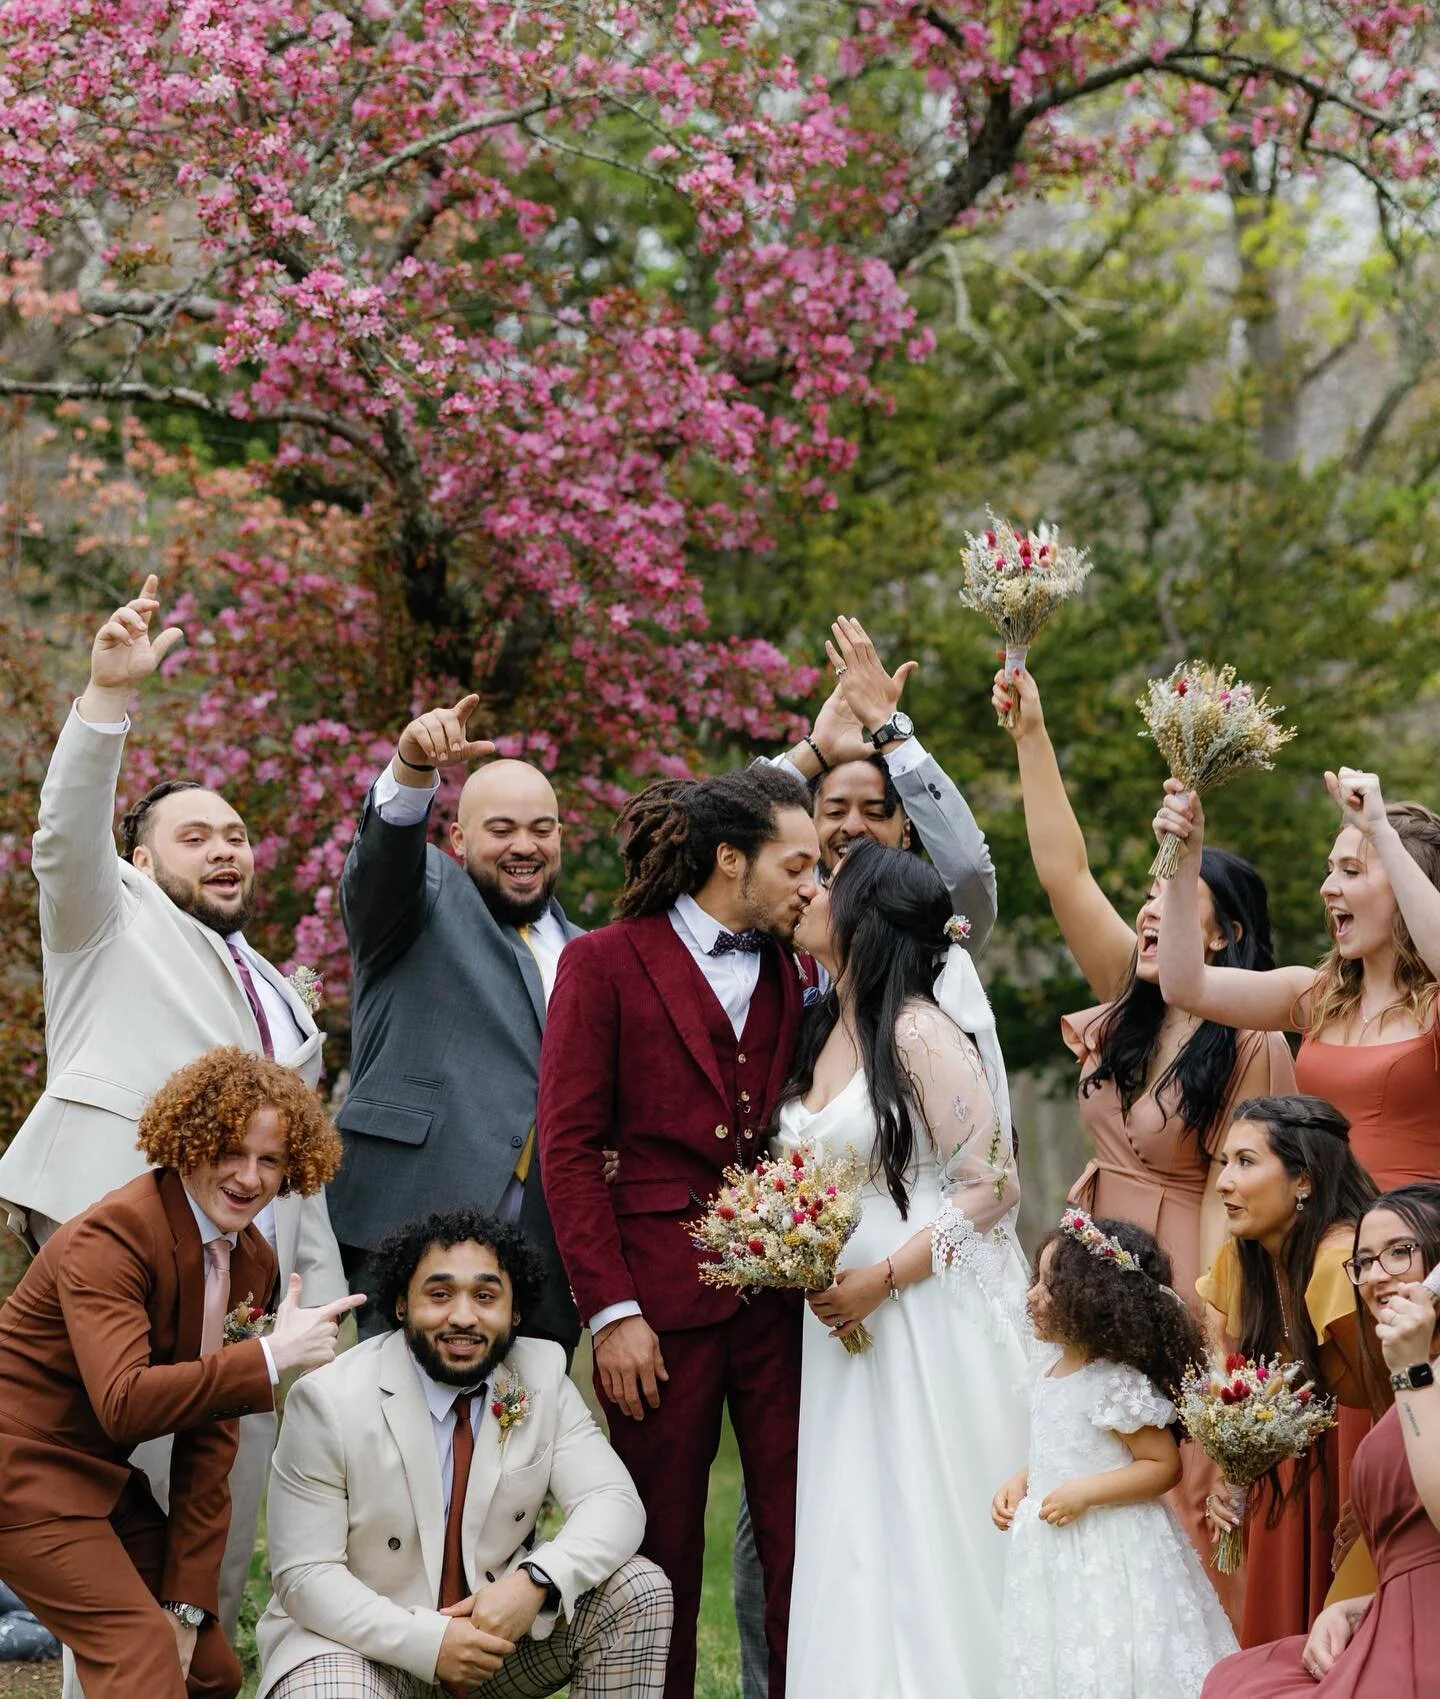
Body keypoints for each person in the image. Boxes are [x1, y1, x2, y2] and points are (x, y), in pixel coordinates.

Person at [0, 573, 347, 1657]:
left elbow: (295, 1149)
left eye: (238, 832)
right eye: (196, 836)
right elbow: (63, 840)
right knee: (114, 1507)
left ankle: (193, 1660)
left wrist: (321, 1302)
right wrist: (106, 698)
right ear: (143, 862)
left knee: (215, 1518)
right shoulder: (107, 924)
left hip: (249, 1265)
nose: (228, 847)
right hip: (116, 1242)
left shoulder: (277, 987)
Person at [994, 663, 1294, 1594]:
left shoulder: (1250, 1042)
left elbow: (1239, 1196)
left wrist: (1200, 1326)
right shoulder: (1128, 995)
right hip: (1095, 1253)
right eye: (1147, 901)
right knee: (1085, 1464)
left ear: (1224, 934)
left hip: (1185, 1273)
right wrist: (1030, 734)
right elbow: (1063, 871)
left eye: (1174, 900)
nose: (1147, 912)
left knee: (1166, 1475)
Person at [537, 765, 818, 1699]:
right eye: (798, 863)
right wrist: (611, 1311)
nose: (811, 885)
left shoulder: (795, 966)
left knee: (798, 1529)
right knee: (659, 1541)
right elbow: (568, 1148)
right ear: (731, 859)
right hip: (653, 1307)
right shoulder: (605, 961)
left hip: (780, 1304)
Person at [0, 1048, 361, 1699]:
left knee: (210, 1669)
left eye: (271, 1160)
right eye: (230, 1150)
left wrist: (188, 1608)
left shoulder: (250, 1260)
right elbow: (124, 1403)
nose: (249, 1177)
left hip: (99, 1482)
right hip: (19, 1474)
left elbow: (210, 1436)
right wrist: (270, 1357)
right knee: (139, 1653)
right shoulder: (112, 1236)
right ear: (189, 1142)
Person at [775, 839, 1030, 1699]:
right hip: (838, 1313)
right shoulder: (817, 1024)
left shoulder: (918, 1028)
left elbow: (994, 1182)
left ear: (869, 916)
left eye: (830, 882)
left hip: (921, 1302)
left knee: (931, 1506)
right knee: (855, 1518)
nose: (810, 890)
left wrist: (880, 1280)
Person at [255, 1209, 671, 1699]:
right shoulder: (328, 1399)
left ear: (515, 1312)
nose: (463, 1317)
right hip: (358, 1648)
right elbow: (305, 1575)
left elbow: (614, 1502)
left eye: (485, 1296)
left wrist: (536, 1581)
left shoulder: (540, 1375)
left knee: (639, 1590)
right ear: (401, 1305)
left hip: (492, 1643)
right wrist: (431, 1643)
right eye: (439, 1294)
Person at [326, 693, 582, 1352]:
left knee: (520, 1442)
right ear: (458, 838)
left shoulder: (588, 950)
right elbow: (384, 858)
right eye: (501, 828)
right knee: (397, 1436)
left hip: (548, 1246)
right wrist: (412, 767)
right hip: (410, 1217)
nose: (524, 845)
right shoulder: (420, 898)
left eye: (542, 828)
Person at [1202, 1183, 1440, 1696]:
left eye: (1400, 1253)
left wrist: (1413, 1372)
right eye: (1365, 1262)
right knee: (1237, 1678)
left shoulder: (1417, 1373)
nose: (1376, 1276)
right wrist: (1356, 1608)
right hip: (1394, 1614)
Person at [1155, 768, 1440, 1191]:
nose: (1327, 888)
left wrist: (1380, 830)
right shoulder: (1316, 996)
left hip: (1414, 1243)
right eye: (1330, 870)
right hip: (1322, 1241)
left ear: (1405, 884)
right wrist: (1185, 860)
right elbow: (1184, 985)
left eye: (1351, 871)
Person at [992, 1212, 1237, 1699]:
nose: (1030, 1296)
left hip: (1113, 1548)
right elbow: (1066, 1446)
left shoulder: (1114, 1381)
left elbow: (1162, 1466)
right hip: (1057, 1550)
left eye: (1047, 1287)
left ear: (1091, 1303)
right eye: (1035, 1282)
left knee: (1119, 1649)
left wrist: (1085, 1493)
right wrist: (1024, 1478)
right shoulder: (1051, 1371)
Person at [1196, 1095, 1384, 1646]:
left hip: (1386, 1462)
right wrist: (1232, 1475)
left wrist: (1375, 1499)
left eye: (1246, 1162)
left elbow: (1402, 1399)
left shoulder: (1339, 1263)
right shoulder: (1242, 1258)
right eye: (1224, 1163)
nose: (1224, 1183)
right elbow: (1241, 1385)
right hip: (1301, 1470)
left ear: (1304, 1179)